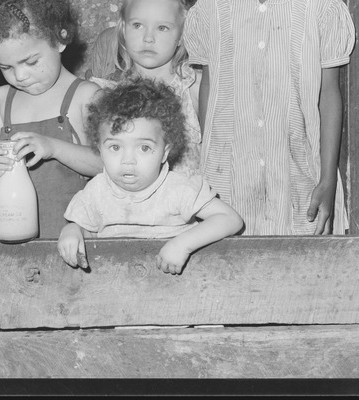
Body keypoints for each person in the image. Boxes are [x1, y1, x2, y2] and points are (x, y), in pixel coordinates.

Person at [183, 0, 356, 236]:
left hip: (296, 178)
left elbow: (329, 97)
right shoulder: (211, 5)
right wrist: (199, 172)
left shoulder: (321, 7)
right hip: (226, 181)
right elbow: (207, 91)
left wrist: (327, 181)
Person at [57, 79, 243, 275]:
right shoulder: (95, 192)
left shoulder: (178, 189)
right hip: (116, 286)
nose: (128, 160)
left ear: (164, 153)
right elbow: (79, 226)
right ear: (100, 150)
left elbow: (230, 219)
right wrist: (72, 232)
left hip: (179, 287)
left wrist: (183, 245)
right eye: (115, 147)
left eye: (144, 148)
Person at [0, 0, 103, 239]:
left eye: (31, 61)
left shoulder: (86, 97)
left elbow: (107, 165)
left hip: (71, 238)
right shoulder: (0, 100)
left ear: (59, 40)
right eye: (5, 67)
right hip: (10, 235)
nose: (20, 75)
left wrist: (52, 146)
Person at [93, 0, 202, 176]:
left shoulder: (193, 87)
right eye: (137, 25)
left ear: (181, 35)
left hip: (188, 205)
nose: (148, 38)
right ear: (123, 29)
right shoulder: (107, 93)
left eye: (162, 28)